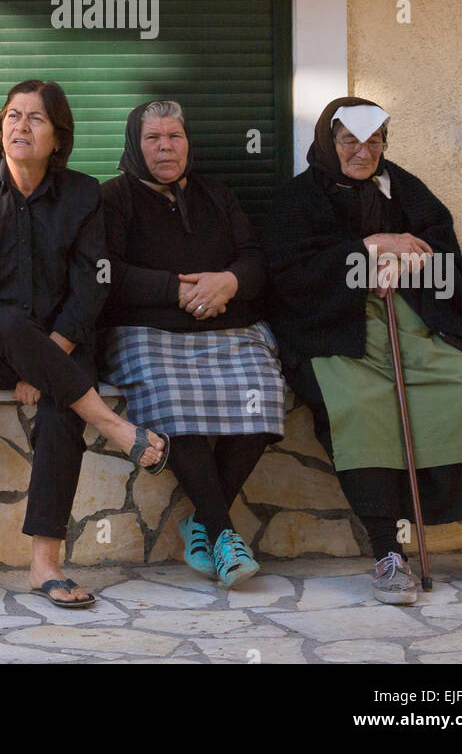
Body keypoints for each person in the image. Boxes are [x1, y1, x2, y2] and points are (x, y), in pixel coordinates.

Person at [265, 95, 462, 604]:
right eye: (349, 141)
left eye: (373, 140)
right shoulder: (296, 201)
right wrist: (367, 252)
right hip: (338, 333)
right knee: (359, 407)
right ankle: (388, 553)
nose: (362, 152)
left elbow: (451, 267)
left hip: (413, 322)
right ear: (329, 142)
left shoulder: (407, 191)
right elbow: (289, 279)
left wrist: (409, 267)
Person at [0, 78, 169, 610]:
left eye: (35, 118)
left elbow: (91, 285)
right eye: (12, 115)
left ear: (58, 137)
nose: (21, 126)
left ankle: (45, 566)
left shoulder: (82, 195)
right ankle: (117, 426)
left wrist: (47, 359)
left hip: (64, 345)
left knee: (62, 411)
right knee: (9, 325)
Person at [99, 100, 286, 587]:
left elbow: (255, 259)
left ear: (188, 142)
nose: (166, 147)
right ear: (134, 145)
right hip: (149, 333)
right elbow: (104, 272)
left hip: (227, 327)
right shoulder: (113, 198)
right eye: (153, 138)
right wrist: (174, 290)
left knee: (264, 394)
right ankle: (223, 532)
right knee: (173, 401)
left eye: (175, 137)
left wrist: (227, 282)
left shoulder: (216, 194)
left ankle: (202, 522)